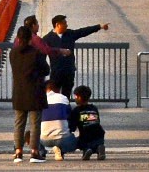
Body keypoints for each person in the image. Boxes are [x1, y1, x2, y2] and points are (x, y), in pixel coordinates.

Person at [8, 17, 51, 161]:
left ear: (18, 38)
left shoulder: (12, 53)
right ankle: (34, 152)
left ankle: (18, 152)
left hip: (19, 92)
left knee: (19, 123)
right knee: (35, 124)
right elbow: (46, 70)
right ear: (30, 39)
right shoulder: (36, 53)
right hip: (34, 92)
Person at [39, 15, 104, 97]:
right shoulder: (47, 39)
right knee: (54, 95)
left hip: (69, 72)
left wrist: (99, 27)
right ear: (57, 25)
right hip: (56, 73)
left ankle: (66, 108)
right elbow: (42, 55)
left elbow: (83, 31)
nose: (67, 25)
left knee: (66, 95)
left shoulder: (70, 34)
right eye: (64, 23)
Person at [72, 86, 103, 160]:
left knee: (78, 141)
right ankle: (99, 148)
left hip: (86, 136)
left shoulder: (76, 110)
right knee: (96, 142)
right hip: (99, 135)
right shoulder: (94, 108)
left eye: (75, 96)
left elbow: (72, 127)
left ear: (79, 97)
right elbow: (97, 121)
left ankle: (86, 150)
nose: (74, 98)